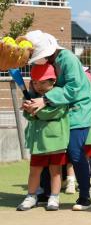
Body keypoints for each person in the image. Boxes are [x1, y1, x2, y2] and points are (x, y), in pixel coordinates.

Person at [22, 30, 91, 211]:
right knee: (49, 149)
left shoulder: (67, 58)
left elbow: (74, 87)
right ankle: (47, 193)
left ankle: (85, 196)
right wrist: (32, 100)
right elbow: (38, 87)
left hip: (78, 110)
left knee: (75, 152)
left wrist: (44, 100)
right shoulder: (49, 62)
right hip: (57, 109)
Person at [17, 64, 69, 211]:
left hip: (56, 141)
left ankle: (54, 197)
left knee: (56, 170)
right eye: (35, 82)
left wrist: (34, 110)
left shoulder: (59, 93)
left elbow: (55, 113)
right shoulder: (32, 95)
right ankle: (31, 196)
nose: (38, 85)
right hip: (38, 142)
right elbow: (30, 116)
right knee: (34, 170)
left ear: (53, 81)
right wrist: (28, 108)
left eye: (43, 82)